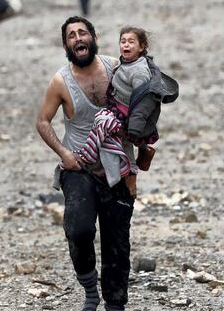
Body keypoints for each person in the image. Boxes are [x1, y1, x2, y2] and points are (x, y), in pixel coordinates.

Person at [35, 16, 138, 311]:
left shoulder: (117, 69)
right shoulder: (60, 82)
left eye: (83, 33)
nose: (78, 39)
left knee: (117, 243)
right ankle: (90, 289)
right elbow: (42, 121)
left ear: (94, 37)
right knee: (78, 230)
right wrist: (64, 154)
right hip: (79, 167)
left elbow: (146, 100)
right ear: (66, 45)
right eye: (71, 36)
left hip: (117, 168)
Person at [73, 27, 178, 198]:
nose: (126, 45)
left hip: (129, 117)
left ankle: (120, 170)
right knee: (111, 131)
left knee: (104, 124)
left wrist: (134, 128)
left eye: (131, 42)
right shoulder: (126, 63)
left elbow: (145, 101)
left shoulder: (139, 72)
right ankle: (144, 150)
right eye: (123, 41)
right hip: (118, 108)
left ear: (142, 47)